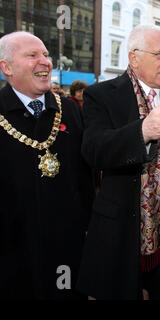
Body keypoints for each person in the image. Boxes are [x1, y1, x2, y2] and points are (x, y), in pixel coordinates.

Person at [76, 24, 160, 300]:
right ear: (134, 57)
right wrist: (143, 131)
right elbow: (94, 150)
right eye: (159, 54)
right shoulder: (101, 95)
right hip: (123, 228)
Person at [0, 31, 94, 299]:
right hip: (13, 249)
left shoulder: (69, 108)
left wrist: (88, 223)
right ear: (6, 67)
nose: (45, 62)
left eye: (45, 54)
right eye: (32, 55)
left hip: (67, 244)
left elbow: (84, 174)